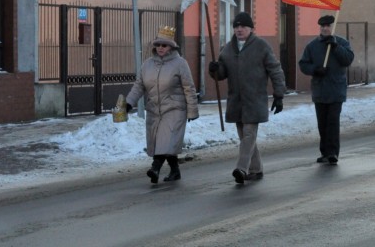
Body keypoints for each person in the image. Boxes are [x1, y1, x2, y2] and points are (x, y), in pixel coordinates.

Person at [208, 12, 286, 184]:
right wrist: (214, 69)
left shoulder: (261, 46)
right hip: (236, 101)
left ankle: (241, 169)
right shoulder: (227, 49)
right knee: (245, 137)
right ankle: (256, 169)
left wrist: (279, 94)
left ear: (251, 28)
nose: (239, 29)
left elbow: (275, 70)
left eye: (243, 26)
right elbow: (221, 74)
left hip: (255, 100)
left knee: (249, 135)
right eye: (236, 26)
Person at [126, 26, 199, 184]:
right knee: (163, 142)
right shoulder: (147, 65)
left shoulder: (180, 64)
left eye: (164, 45)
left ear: (171, 47)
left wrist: (192, 111)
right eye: (158, 45)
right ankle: (175, 170)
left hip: (175, 109)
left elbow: (189, 88)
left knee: (165, 140)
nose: (160, 48)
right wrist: (128, 103)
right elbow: (139, 86)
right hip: (154, 110)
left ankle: (155, 168)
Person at [298, 15, 354, 165]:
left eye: (328, 26)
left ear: (332, 27)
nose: (325, 28)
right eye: (322, 26)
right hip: (320, 90)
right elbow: (303, 64)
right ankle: (324, 152)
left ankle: (333, 153)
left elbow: (348, 59)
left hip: (336, 90)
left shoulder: (342, 43)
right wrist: (315, 69)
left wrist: (336, 47)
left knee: (332, 122)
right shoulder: (312, 46)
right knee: (322, 123)